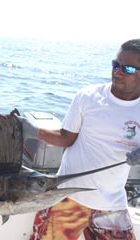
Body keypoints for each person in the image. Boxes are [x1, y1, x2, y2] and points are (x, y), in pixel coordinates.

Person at [19, 39, 140, 239]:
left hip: (111, 204)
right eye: (115, 65)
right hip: (68, 196)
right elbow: (66, 138)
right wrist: (33, 131)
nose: (117, 72)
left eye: (127, 68)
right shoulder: (87, 96)